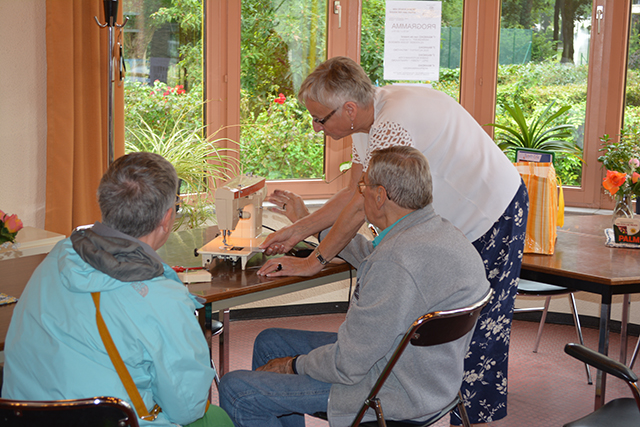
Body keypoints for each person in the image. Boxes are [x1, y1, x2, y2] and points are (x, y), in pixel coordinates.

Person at [257, 56, 529, 425]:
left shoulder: (393, 121)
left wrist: (312, 261)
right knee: (423, 326)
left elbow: (359, 203)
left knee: (473, 329)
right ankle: (415, 393)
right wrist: (299, 228)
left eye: (320, 119)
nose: (317, 128)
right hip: (451, 219)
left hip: (492, 210)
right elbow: (356, 192)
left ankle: (460, 414)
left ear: (348, 108)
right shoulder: (367, 121)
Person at [219, 146, 491, 427]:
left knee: (237, 390)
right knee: (270, 342)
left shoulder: (396, 261)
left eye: (363, 186)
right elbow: (372, 256)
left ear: (380, 195)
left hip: (389, 388)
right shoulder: (438, 233)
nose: (360, 193)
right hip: (426, 375)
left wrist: (293, 365)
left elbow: (347, 365)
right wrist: (311, 228)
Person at [2, 152, 233, 427]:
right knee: (216, 418)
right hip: (113, 421)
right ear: (167, 218)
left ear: (105, 204)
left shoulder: (59, 255)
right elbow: (187, 407)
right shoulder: (161, 295)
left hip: (24, 418)